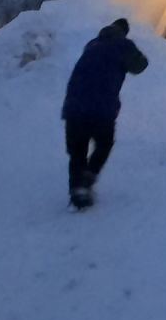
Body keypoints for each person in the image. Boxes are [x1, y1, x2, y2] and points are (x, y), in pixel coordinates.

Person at [61, 18, 148, 209]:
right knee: (104, 143)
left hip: (74, 105)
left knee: (77, 151)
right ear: (124, 33)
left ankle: (77, 192)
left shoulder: (92, 45)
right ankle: (88, 177)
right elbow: (140, 66)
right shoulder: (123, 45)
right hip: (101, 108)